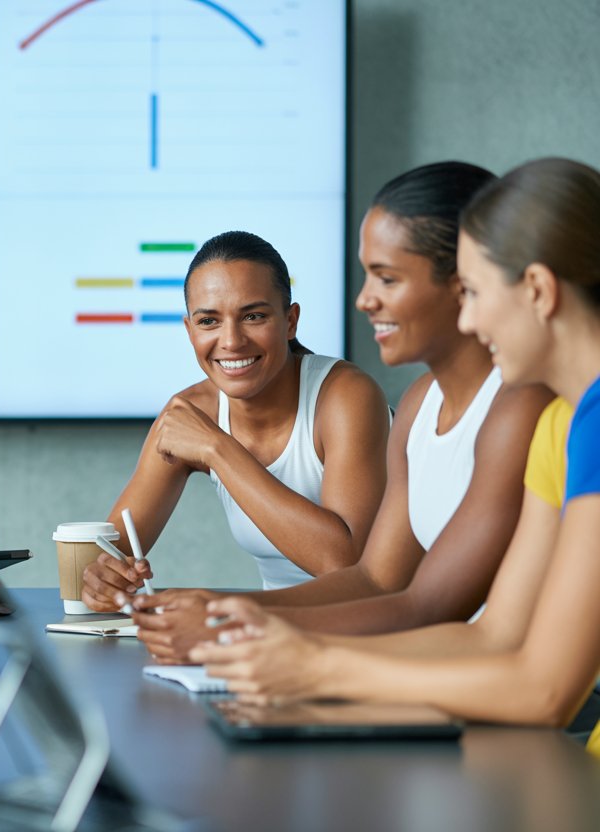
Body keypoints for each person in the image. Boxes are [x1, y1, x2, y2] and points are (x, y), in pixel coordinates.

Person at [191, 158, 600, 730]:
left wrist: (318, 669)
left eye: (475, 291)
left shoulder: (550, 414)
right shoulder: (567, 422)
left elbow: (543, 686)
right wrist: (272, 644)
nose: (470, 315)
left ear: (535, 289)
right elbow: (490, 636)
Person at [123, 162, 553, 659]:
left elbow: (421, 604)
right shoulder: (417, 404)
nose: (364, 300)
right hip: (427, 671)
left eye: (386, 279)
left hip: (477, 688)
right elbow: (376, 583)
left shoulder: (520, 406)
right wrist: (212, 610)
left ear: (463, 281)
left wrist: (227, 621)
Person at [81, 231, 389, 608]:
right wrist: (101, 577)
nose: (231, 341)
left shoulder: (345, 397)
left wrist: (217, 449)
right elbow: (110, 551)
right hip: (271, 633)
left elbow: (348, 565)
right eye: (209, 321)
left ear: (290, 322)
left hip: (383, 631)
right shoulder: (191, 412)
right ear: (189, 330)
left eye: (253, 316)